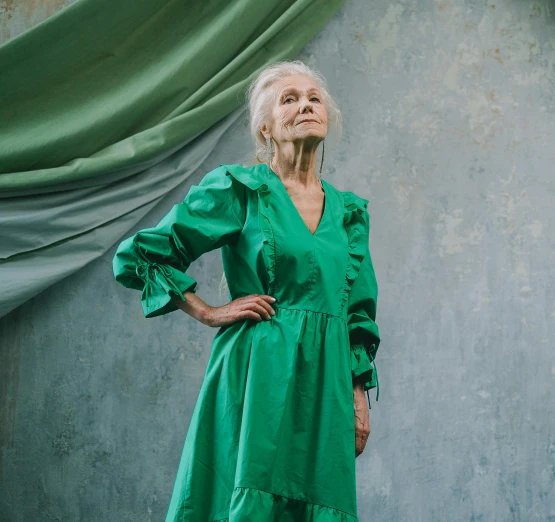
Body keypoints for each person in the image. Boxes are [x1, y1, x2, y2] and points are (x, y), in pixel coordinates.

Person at [112, 60, 381, 522]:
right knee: (246, 498)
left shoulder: (349, 214)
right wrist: (208, 311)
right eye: (289, 99)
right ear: (266, 128)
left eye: (314, 97)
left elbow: (358, 316)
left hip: (326, 386)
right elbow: (143, 254)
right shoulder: (240, 190)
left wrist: (358, 398)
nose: (306, 105)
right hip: (256, 375)